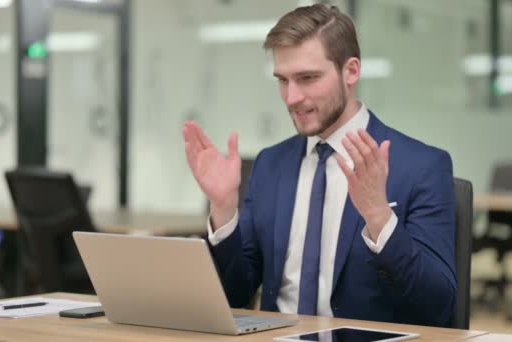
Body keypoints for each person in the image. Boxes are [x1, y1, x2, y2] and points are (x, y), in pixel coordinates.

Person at [183, 4, 455, 327]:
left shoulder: (421, 167)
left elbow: (439, 306)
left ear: (350, 71)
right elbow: (236, 294)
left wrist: (379, 217)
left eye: (307, 78)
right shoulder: (271, 164)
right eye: (282, 80)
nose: (291, 97)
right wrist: (224, 209)